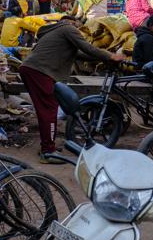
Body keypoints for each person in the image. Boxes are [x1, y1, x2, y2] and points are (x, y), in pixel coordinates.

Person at [19, 16, 125, 163]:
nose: (77, 28)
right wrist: (111, 55)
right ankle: (48, 152)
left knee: (46, 110)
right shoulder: (67, 29)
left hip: (31, 69)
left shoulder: (55, 33)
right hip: (39, 72)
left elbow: (81, 54)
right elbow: (88, 47)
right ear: (69, 22)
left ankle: (47, 146)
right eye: (76, 25)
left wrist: (104, 59)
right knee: (49, 111)